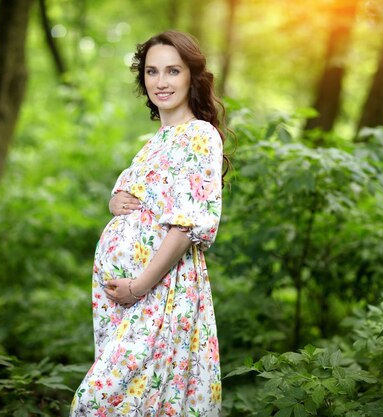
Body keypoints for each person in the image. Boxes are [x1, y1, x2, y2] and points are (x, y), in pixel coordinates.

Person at [70, 30, 226, 416]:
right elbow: (137, 200)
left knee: (96, 403)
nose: (161, 82)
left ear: (191, 76)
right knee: (139, 404)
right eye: (152, 72)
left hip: (161, 294)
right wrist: (114, 201)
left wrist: (139, 286)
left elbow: (186, 226)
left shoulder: (200, 136)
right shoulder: (156, 142)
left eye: (172, 71)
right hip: (127, 302)